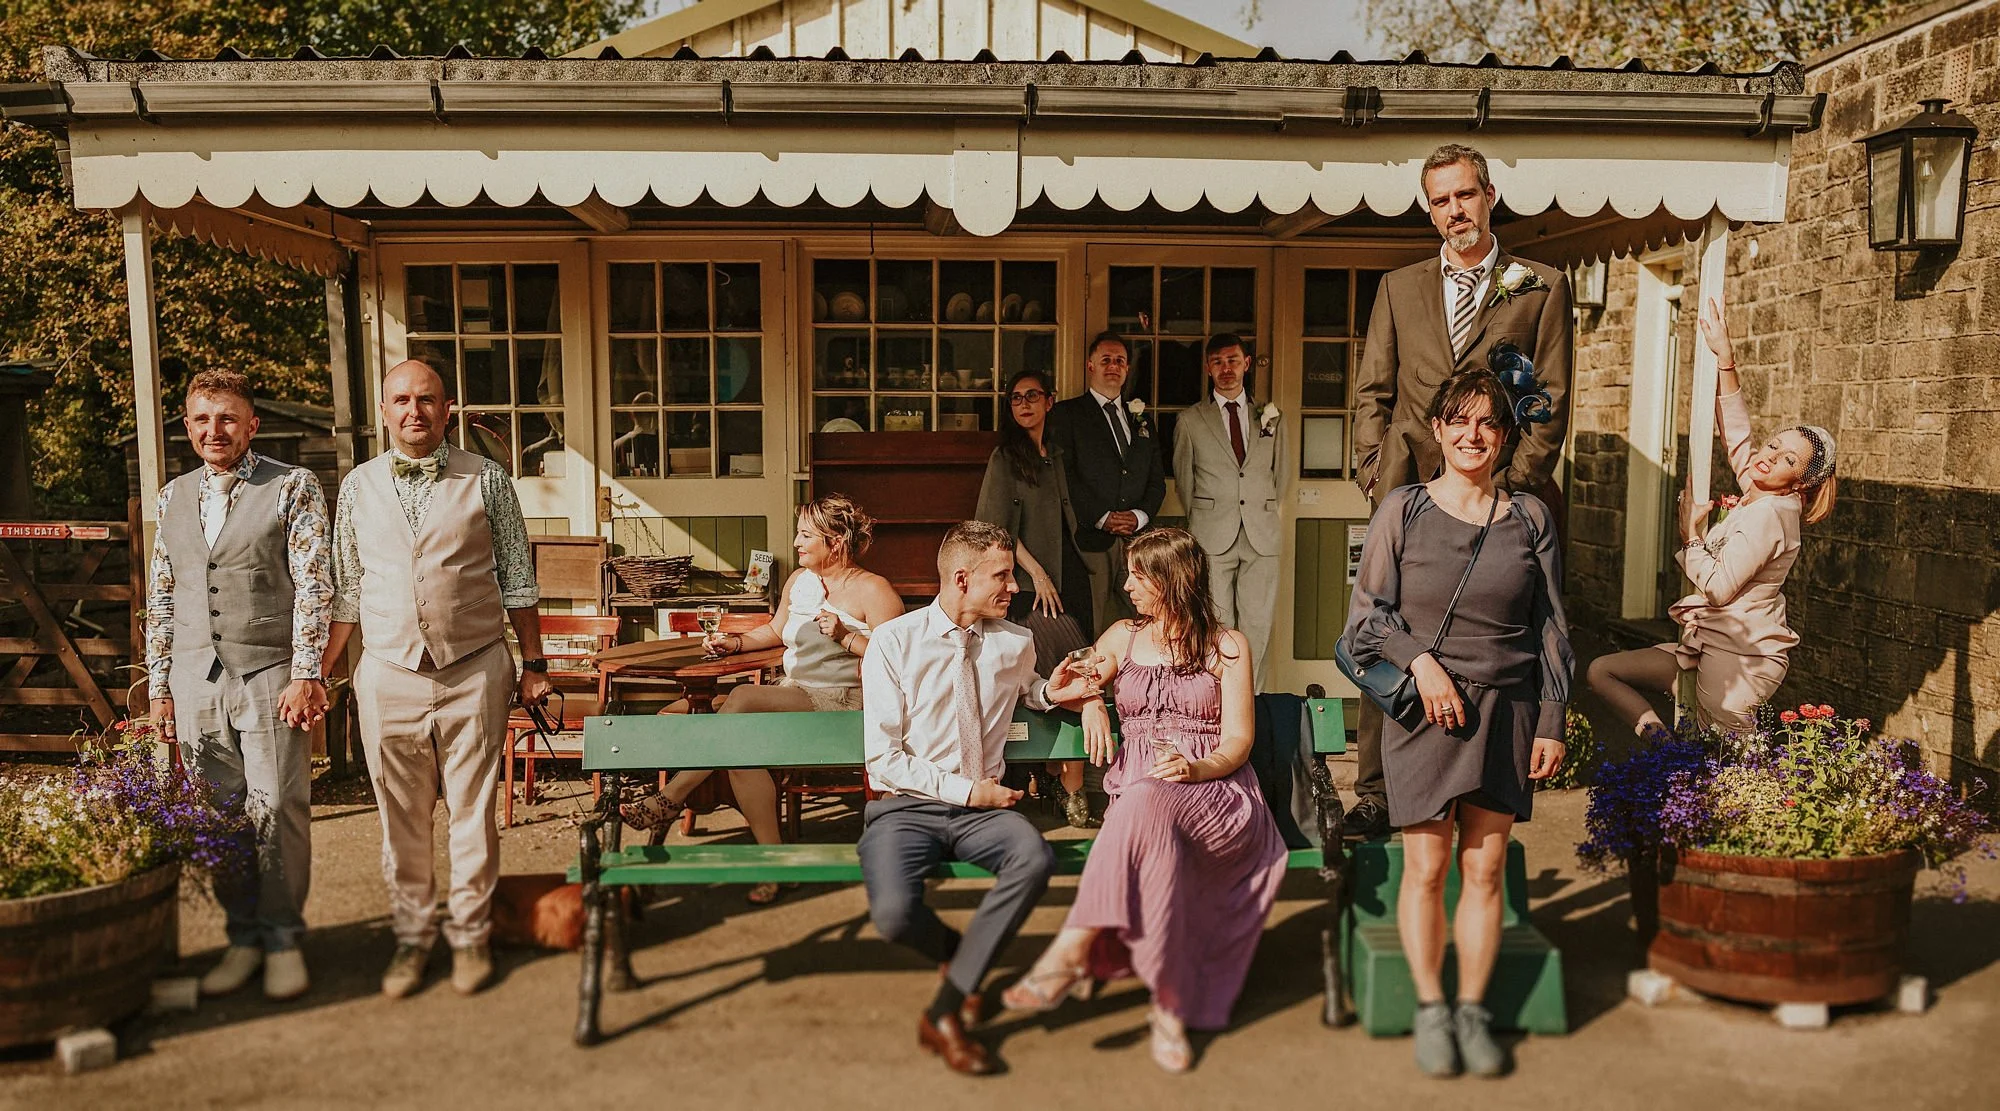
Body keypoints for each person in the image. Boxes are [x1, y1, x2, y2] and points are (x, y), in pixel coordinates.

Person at [1343, 368, 1573, 1078]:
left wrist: (1553, 718)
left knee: (1486, 866)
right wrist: (1422, 664)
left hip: (1508, 708)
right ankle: (1430, 1006)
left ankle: (1471, 1010)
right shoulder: (1403, 510)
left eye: (1488, 424)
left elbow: (1553, 628)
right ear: (1438, 430)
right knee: (1428, 864)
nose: (1473, 436)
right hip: (1428, 711)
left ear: (1504, 437)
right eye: (1459, 421)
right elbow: (1368, 618)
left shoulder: (1530, 517)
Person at [1346, 142, 1574, 841]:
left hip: (1494, 497)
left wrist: (1503, 489)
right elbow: (1372, 391)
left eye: (1464, 195)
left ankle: (1481, 781)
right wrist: (1371, 469)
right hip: (1410, 490)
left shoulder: (1538, 284)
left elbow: (1550, 400)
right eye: (1441, 200)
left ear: (1489, 195)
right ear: (1429, 209)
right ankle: (1376, 790)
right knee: (1384, 629)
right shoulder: (1399, 286)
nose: (1455, 211)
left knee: (1493, 638)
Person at [1002, 527, 1285, 1074]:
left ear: (1171, 580)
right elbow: (1071, 682)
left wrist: (1194, 768)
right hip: (1141, 801)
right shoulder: (1122, 637)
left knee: (1142, 799)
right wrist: (1089, 701)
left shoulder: (1227, 646)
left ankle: (1072, 949)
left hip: (1216, 795)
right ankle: (1170, 1007)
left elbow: (1238, 742)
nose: (1126, 584)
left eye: (1137, 574)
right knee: (1148, 826)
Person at [321, 359, 554, 1000]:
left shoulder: (488, 479)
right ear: (386, 411)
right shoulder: (358, 486)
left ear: (447, 409)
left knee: (473, 811)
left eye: (426, 400)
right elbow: (345, 593)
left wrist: (534, 666)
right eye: (401, 400)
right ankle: (412, 937)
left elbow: (518, 577)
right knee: (400, 815)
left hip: (473, 666)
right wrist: (317, 675)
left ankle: (471, 935)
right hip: (388, 671)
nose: (413, 412)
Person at [857, 521, 1089, 1076]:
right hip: (905, 808)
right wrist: (967, 790)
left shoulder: (1016, 641)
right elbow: (882, 760)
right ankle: (959, 952)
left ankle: (943, 1012)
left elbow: (1027, 687)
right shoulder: (894, 642)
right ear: (962, 578)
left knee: (1033, 858)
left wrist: (1052, 691)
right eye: (1002, 576)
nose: (1014, 587)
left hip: (983, 813)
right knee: (891, 916)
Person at [145, 370, 332, 1002]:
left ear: (251, 424)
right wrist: (159, 686)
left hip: (269, 672)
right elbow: (162, 597)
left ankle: (281, 938)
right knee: (218, 814)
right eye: (201, 419)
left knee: (277, 808)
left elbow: (315, 584)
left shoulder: (291, 485)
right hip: (195, 678)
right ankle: (243, 937)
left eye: (227, 418)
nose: (213, 430)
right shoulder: (171, 497)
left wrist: (307, 671)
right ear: (188, 424)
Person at [619, 495, 903, 903]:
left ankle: (672, 796)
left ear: (835, 540)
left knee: (741, 699)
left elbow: (897, 661)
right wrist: (733, 643)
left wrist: (846, 636)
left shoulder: (874, 590)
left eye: (806, 535)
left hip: (848, 706)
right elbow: (773, 631)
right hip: (797, 698)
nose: (796, 543)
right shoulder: (800, 582)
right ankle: (775, 863)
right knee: (741, 748)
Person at [1587, 297, 1837, 736]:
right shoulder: (1763, 494)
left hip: (1740, 660)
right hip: (1708, 644)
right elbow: (1740, 440)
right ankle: (1662, 748)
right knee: (1602, 671)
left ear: (1799, 483)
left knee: (1730, 769)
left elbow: (1719, 588)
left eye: (1786, 460)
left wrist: (1690, 534)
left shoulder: (1772, 517)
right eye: (1775, 444)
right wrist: (1726, 360)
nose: (1771, 456)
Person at [975, 368, 1095, 828]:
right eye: (1015, 398)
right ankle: (1066, 786)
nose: (1023, 404)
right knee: (1056, 672)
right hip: (1028, 588)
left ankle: (1060, 777)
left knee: (1072, 670)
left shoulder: (1056, 454)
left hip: (1069, 578)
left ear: (1050, 400)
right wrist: (1037, 574)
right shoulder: (1005, 458)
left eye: (1032, 396)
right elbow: (995, 528)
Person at [1172, 333, 1284, 689]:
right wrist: (1204, 520)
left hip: (1261, 536)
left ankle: (1253, 704)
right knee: (1216, 624)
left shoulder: (1270, 416)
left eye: (1233, 360)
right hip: (1211, 535)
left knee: (1258, 625)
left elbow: (1280, 477)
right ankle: (1218, 705)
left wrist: (1260, 510)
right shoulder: (1191, 420)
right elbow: (1184, 483)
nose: (1226, 369)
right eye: (1218, 362)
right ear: (1208, 368)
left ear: (1246, 364)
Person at [1047, 331, 1166, 637]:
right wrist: (1102, 517)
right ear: (1090, 365)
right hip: (1089, 539)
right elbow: (1066, 476)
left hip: (1136, 541)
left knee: (1147, 623)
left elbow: (1156, 479)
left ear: (1127, 369)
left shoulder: (1141, 419)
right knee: (1094, 625)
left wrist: (1139, 517)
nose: (1113, 366)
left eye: (1120, 361)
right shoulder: (1067, 414)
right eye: (1106, 360)